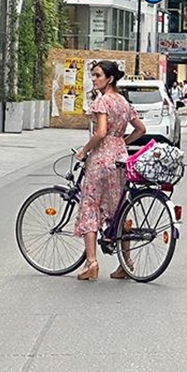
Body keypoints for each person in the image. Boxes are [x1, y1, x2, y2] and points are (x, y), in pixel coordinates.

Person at [74, 61, 146, 281]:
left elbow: (101, 132)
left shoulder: (102, 101)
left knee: (90, 206)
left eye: (97, 75)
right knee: (120, 210)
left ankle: (92, 263)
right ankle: (126, 263)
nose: (94, 79)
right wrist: (122, 141)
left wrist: (84, 151)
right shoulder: (123, 102)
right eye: (93, 75)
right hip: (120, 159)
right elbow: (141, 129)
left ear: (110, 79)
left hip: (100, 160)